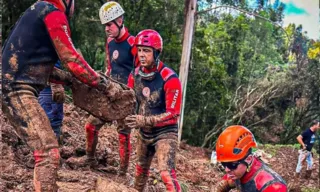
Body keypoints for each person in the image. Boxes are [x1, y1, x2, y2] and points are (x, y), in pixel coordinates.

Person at [2, 0, 111, 191]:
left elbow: (41, 68)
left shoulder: (38, 9)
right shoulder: (53, 14)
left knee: (45, 150)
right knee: (47, 151)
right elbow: (72, 60)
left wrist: (71, 81)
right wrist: (104, 84)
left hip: (13, 84)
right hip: (16, 88)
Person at [73, 1, 138, 175]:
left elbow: (139, 74)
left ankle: (122, 173)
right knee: (91, 125)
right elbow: (110, 66)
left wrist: (132, 97)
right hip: (109, 92)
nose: (106, 29)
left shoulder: (134, 44)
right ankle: (90, 160)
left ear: (120, 20)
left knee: (123, 134)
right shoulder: (110, 42)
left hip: (126, 97)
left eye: (109, 24)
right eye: (105, 25)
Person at [125, 29, 182, 192]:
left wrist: (145, 120)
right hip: (144, 133)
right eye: (140, 50)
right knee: (139, 174)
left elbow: (173, 114)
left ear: (156, 53)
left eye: (147, 51)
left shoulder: (170, 78)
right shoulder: (134, 75)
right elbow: (128, 101)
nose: (142, 55)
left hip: (165, 133)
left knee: (166, 174)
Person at [214, 125, 287, 192]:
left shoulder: (272, 187)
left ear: (248, 159)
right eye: (223, 163)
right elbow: (225, 183)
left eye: (232, 165)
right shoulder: (236, 172)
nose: (227, 169)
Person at [38, 61, 65, 142]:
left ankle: (53, 143)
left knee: (50, 120)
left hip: (46, 81)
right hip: (48, 82)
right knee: (52, 120)